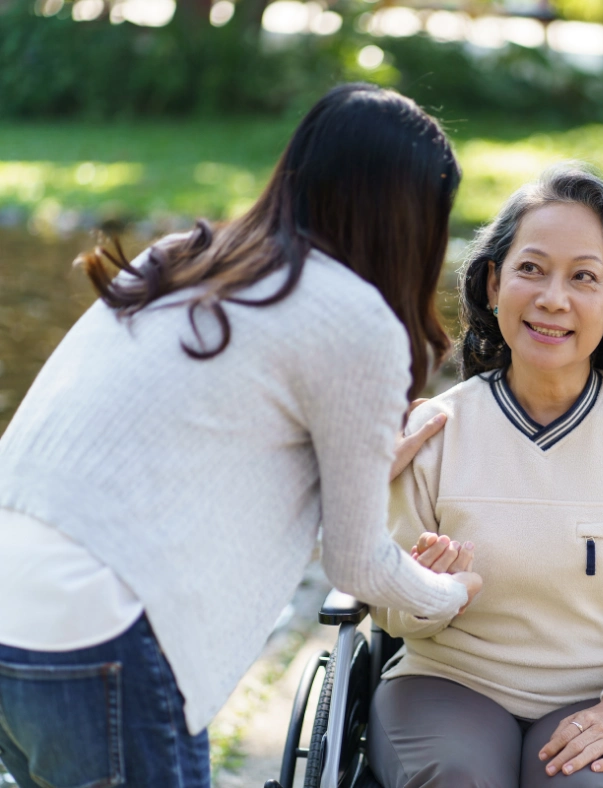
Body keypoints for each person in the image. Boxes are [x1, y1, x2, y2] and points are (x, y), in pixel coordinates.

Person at [0, 83, 481, 788]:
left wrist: (366, 462)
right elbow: (359, 565)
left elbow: (191, 456)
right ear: (414, 222)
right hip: (98, 629)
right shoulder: (356, 320)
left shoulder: (182, 256)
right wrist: (453, 592)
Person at [368, 167, 603, 788]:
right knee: (458, 778)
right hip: (448, 678)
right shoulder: (435, 429)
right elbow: (387, 610)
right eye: (530, 269)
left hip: (601, 689)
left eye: (584, 277)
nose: (552, 298)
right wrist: (423, 591)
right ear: (493, 281)